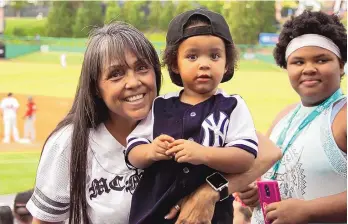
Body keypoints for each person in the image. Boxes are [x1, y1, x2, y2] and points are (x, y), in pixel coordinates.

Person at [26, 22, 281, 224]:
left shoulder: (172, 114)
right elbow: (45, 221)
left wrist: (208, 192)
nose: (133, 82)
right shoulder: (70, 143)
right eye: (116, 74)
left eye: (141, 68)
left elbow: (268, 151)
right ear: (95, 87)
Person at [126, 8, 257, 223]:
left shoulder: (232, 106)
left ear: (227, 65)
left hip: (210, 217)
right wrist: (151, 151)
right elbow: (133, 152)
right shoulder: (161, 105)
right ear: (175, 64)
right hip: (154, 213)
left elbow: (245, 158)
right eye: (192, 56)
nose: (204, 64)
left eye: (215, 55)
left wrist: (203, 154)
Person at [238, 11, 347, 224]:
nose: (309, 69)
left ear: (341, 65)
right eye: (298, 62)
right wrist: (254, 193)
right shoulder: (284, 116)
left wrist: (309, 210)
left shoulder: (343, 117)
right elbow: (268, 175)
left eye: (321, 59)